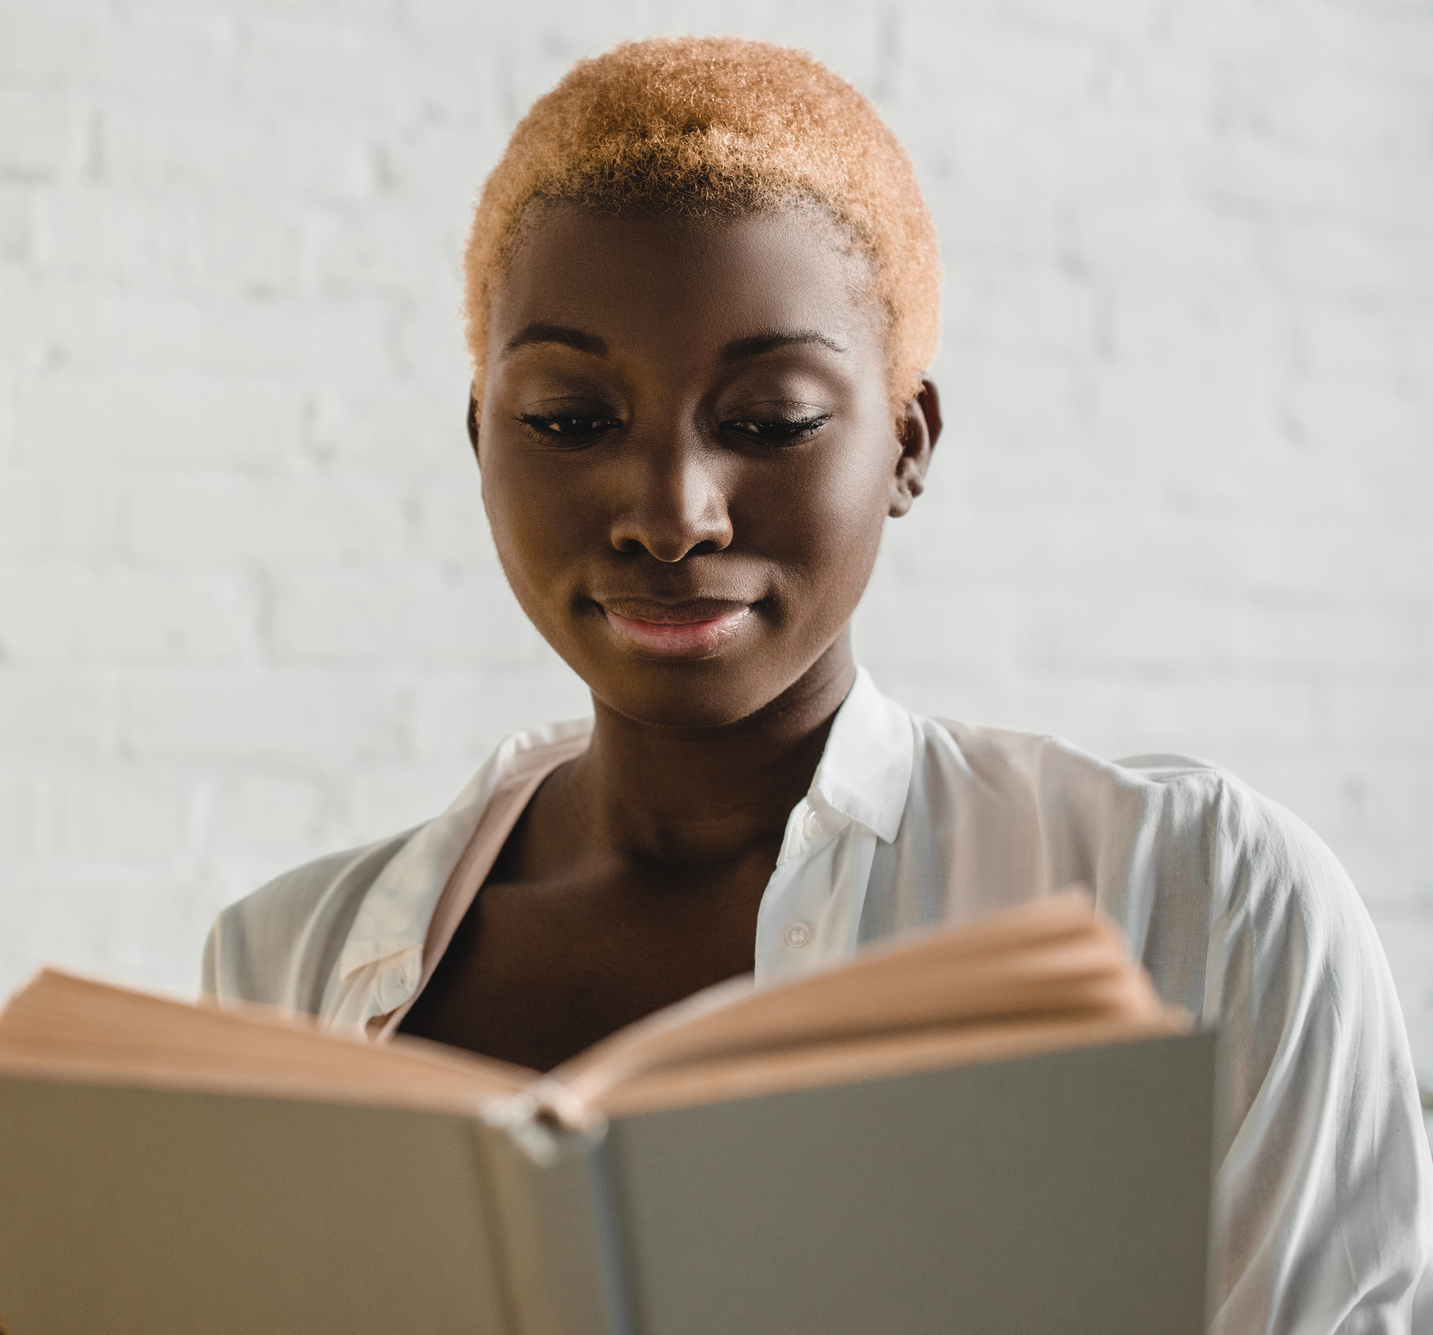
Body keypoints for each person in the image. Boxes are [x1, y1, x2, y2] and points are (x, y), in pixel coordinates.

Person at [199, 34, 1432, 1334]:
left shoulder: (1194, 900)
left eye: (770, 419)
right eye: (569, 418)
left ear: (907, 444)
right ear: (480, 441)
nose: (671, 516)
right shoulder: (293, 962)